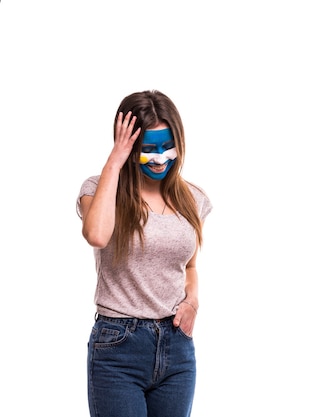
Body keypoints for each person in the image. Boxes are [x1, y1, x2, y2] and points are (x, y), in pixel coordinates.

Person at [76, 90, 212, 417]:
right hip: (118, 348)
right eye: (148, 149)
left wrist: (192, 302)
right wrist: (116, 158)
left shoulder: (193, 199)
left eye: (167, 146)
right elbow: (96, 234)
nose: (160, 158)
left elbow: (190, 265)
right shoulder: (98, 190)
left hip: (177, 348)